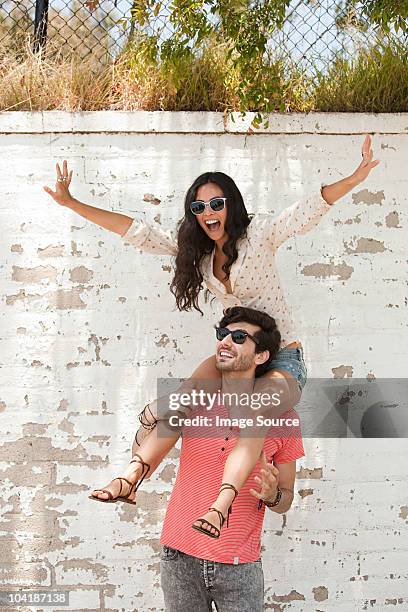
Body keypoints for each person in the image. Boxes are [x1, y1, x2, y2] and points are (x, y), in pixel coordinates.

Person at [43, 136, 379, 534]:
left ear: (231, 206)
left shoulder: (260, 236)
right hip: (234, 355)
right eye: (198, 207)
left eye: (216, 203)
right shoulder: (198, 253)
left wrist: (355, 177)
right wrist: (72, 204)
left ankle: (219, 506)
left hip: (280, 360)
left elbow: (307, 208)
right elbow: (138, 232)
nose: (208, 213)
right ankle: (131, 478)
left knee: (253, 414)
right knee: (183, 402)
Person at [161, 306, 304, 612]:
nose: (225, 341)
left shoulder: (283, 417)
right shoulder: (196, 401)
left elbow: (286, 499)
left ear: (261, 355)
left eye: (239, 337)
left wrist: (272, 494)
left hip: (239, 567)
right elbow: (148, 442)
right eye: (222, 334)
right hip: (179, 558)